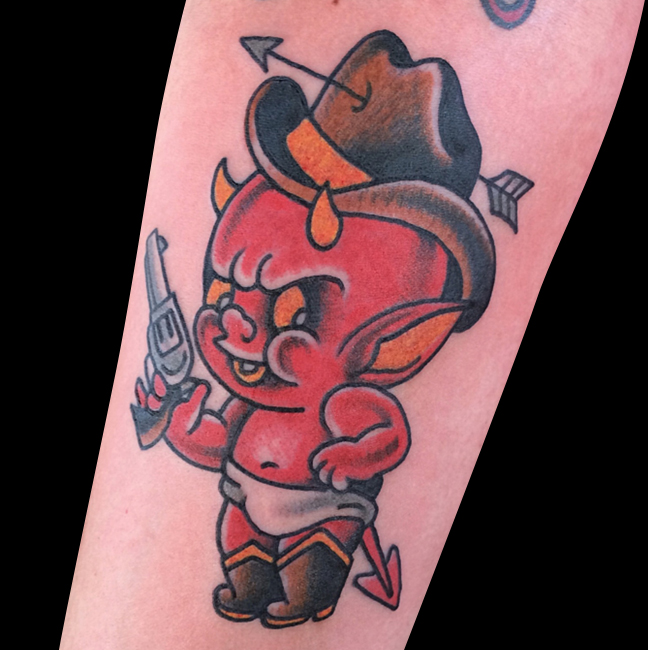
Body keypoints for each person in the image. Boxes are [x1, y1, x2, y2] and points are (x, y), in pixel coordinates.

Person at [61, 2, 643, 649]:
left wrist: (352, 455)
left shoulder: (348, 399)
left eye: (290, 310)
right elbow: (214, 442)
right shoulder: (253, 398)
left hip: (318, 512)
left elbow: (387, 436)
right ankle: (249, 583)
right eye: (224, 292)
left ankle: (305, 589)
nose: (230, 326)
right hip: (244, 501)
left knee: (311, 563)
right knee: (242, 548)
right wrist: (176, 422)